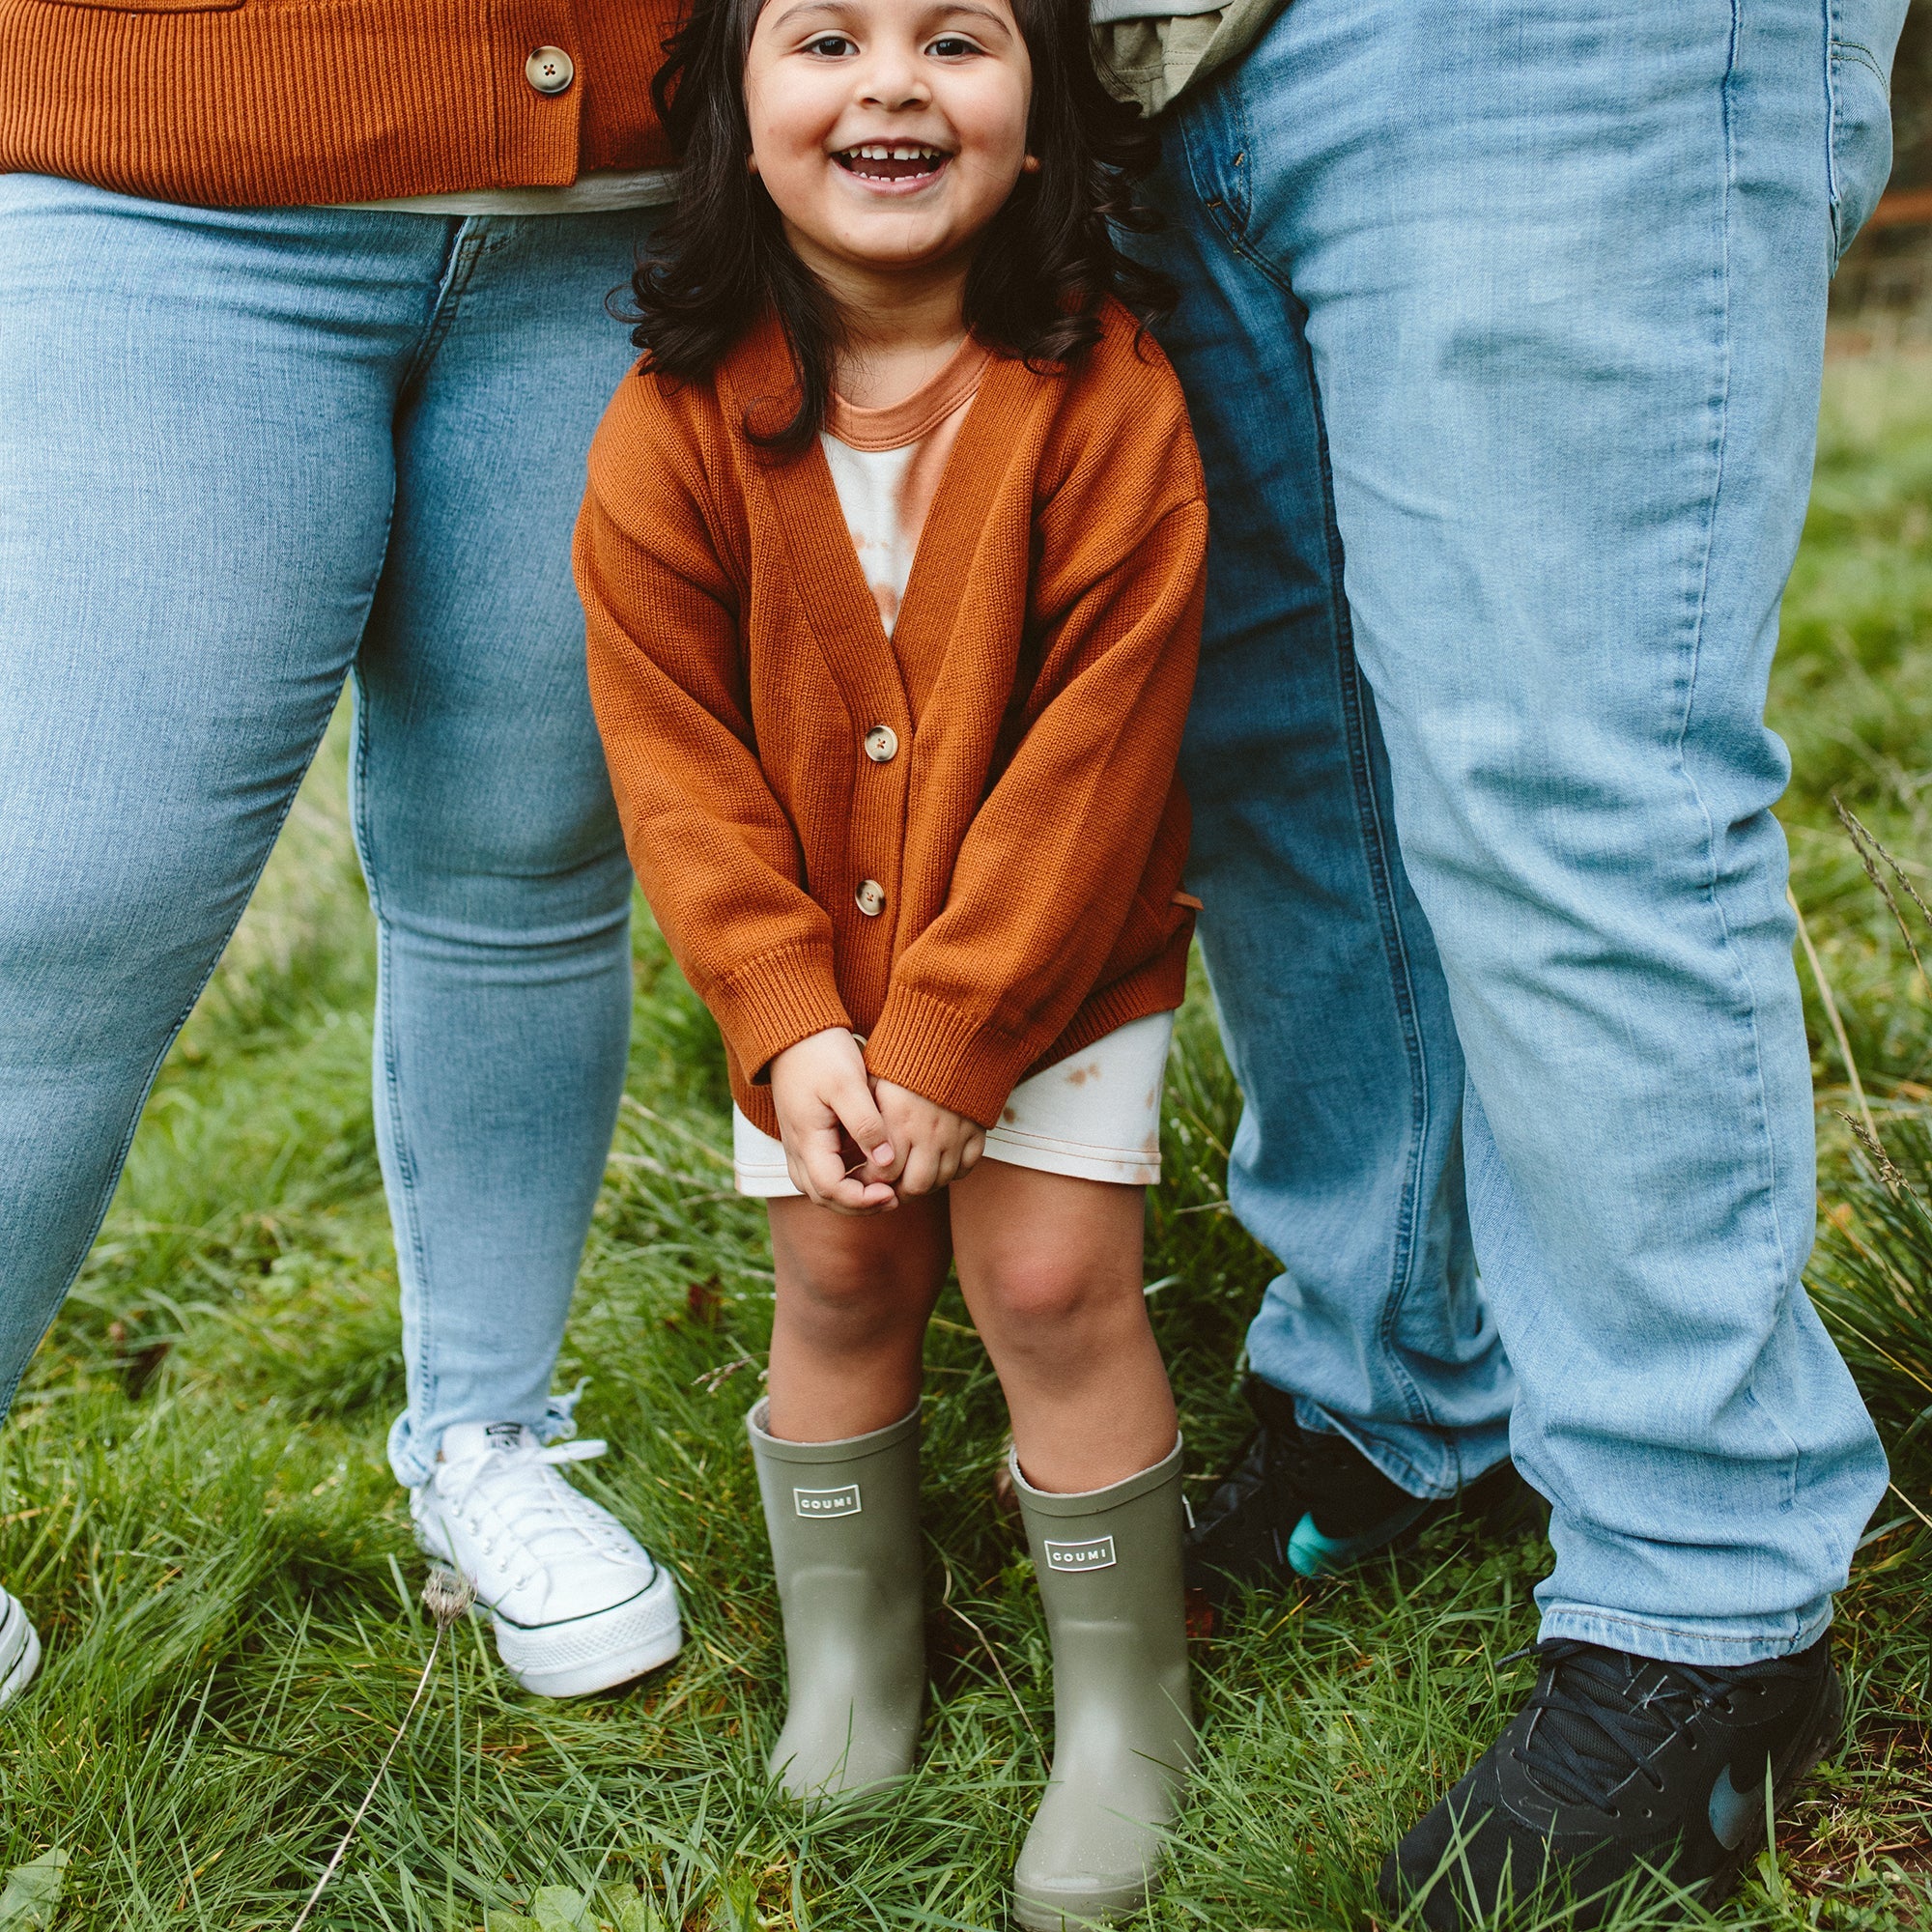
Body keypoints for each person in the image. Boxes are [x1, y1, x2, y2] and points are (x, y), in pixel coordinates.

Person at [1080, 0, 1909, 1920]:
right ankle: (1397, 1384)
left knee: (1562, 781)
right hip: (1159, 69)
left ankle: (1706, 1591)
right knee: (1291, 771)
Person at [573, 0, 1208, 1912]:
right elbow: (671, 750)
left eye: (959, 36)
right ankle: (857, 1654)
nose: (892, 85)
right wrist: (795, 1014)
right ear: (734, 119)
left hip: (1060, 949)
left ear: (1042, 121)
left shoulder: (1103, 398)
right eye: (824, 38)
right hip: (814, 989)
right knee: (841, 1267)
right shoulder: (677, 422)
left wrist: (959, 1032)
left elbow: (1101, 747)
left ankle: (1124, 1709)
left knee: (1046, 1275)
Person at [0, 1, 690, 1703]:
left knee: (528, 852)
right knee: (69, 887)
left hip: (629, 194)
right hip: (158, 168)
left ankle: (490, 1442)